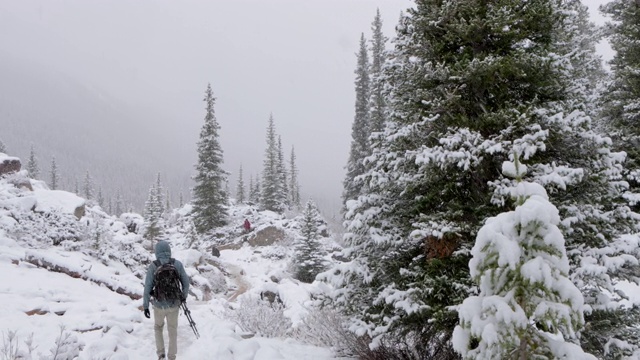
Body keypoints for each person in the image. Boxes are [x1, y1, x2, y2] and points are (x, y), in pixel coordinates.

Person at [143, 240, 190, 360]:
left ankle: (161, 354)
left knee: (158, 328)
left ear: (156, 252)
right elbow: (186, 282)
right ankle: (172, 356)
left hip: (159, 305)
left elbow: (148, 287)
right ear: (169, 250)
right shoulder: (177, 264)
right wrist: (183, 297)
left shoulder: (153, 266)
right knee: (172, 330)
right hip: (174, 304)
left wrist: (146, 306)